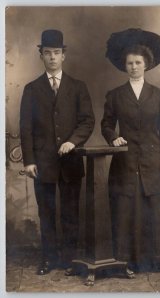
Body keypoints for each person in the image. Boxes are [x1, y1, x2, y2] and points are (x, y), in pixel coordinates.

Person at [101, 28, 160, 273]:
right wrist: (113, 137)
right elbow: (106, 125)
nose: (133, 67)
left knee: (152, 209)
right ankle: (128, 260)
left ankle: (156, 259)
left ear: (146, 65)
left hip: (153, 161)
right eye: (129, 63)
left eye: (137, 62)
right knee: (127, 210)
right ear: (124, 66)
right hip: (125, 161)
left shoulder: (158, 95)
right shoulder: (115, 95)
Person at [20, 29, 95, 275]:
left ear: (64, 55)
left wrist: (73, 141)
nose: (52, 57)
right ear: (41, 55)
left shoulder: (78, 87)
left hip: (71, 161)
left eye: (57, 53)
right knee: (47, 213)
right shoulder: (31, 89)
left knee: (71, 213)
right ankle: (49, 259)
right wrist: (29, 161)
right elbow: (26, 128)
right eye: (48, 53)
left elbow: (87, 121)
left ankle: (70, 260)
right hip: (42, 163)